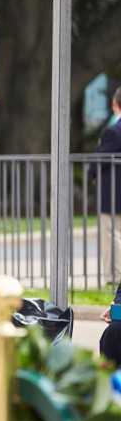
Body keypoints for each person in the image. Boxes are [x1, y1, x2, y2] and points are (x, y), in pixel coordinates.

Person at [96, 87, 121, 283]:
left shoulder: (114, 130)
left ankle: (113, 276)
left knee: (111, 234)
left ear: (115, 104)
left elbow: (101, 159)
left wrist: (91, 174)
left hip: (113, 190)